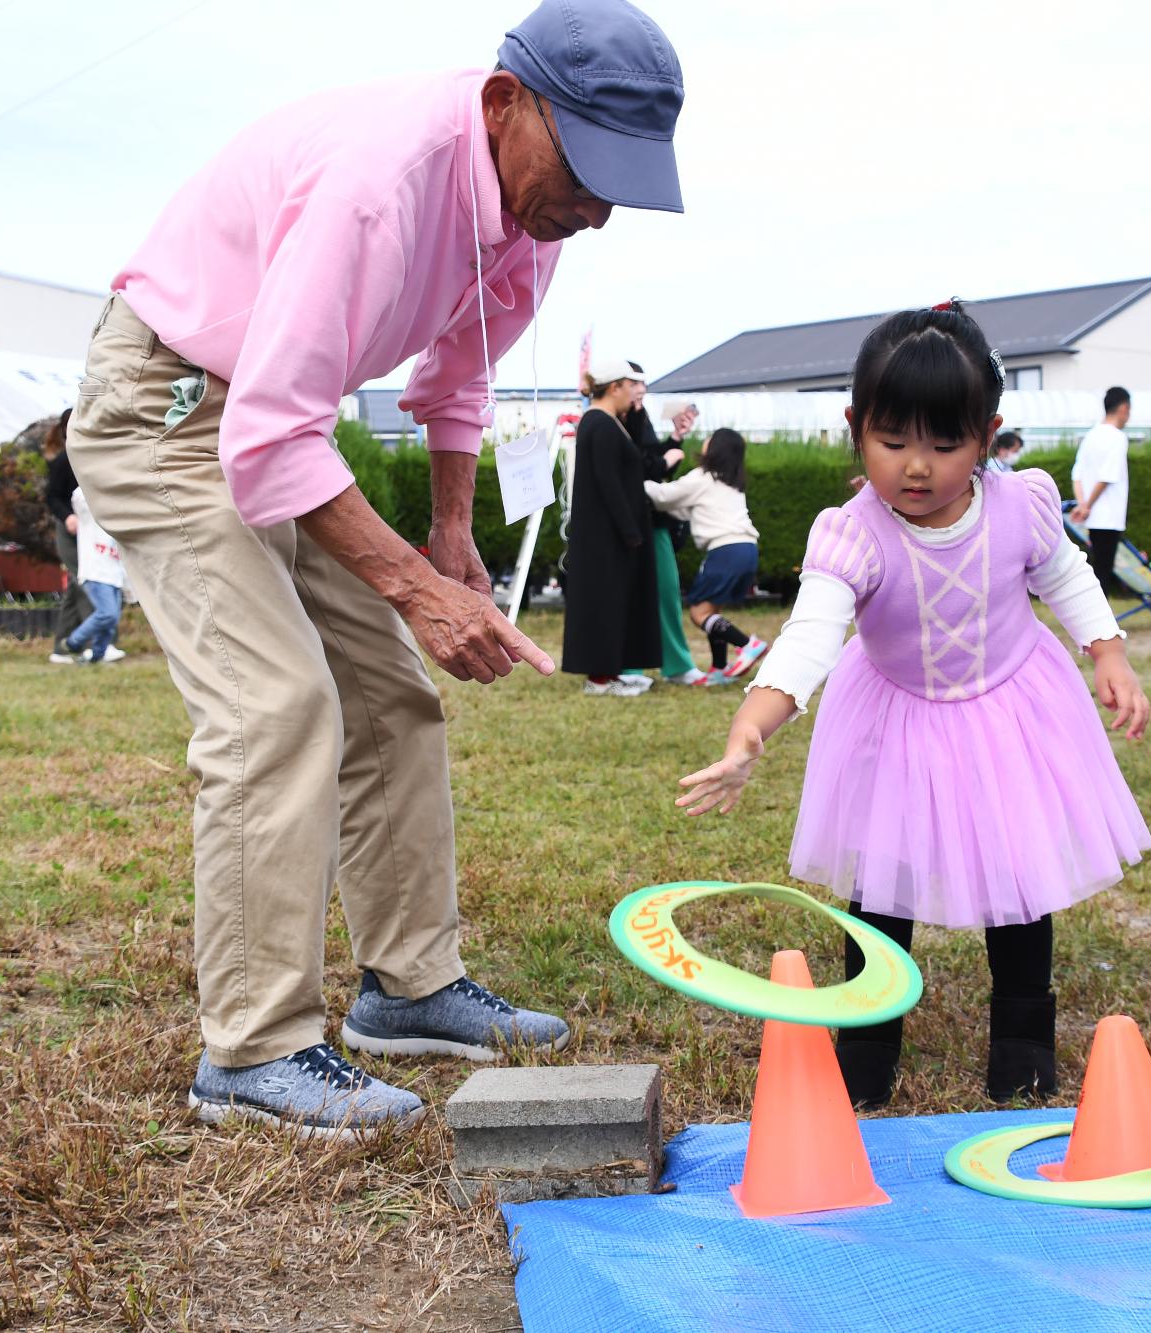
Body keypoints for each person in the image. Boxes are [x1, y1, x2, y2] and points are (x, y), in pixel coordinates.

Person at [67, 0, 685, 1139]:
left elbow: (456, 385)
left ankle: (410, 990)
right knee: (276, 705)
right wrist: (412, 586)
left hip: (266, 416)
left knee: (392, 697)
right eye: (587, 168)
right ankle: (251, 1050)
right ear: (506, 106)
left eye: (622, 180)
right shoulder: (377, 189)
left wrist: (449, 541)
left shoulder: (529, 218)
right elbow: (263, 436)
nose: (596, 208)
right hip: (165, 407)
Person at [676, 302, 1151, 1110]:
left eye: (945, 444)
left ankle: (1025, 1043)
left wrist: (1108, 652)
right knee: (884, 885)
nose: (918, 467)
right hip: (899, 714)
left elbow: (1066, 575)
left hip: (1011, 705)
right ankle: (867, 1044)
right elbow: (808, 638)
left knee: (1019, 869)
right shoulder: (853, 534)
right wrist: (749, 727)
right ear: (855, 427)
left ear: (987, 432)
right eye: (894, 442)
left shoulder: (1021, 503)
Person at [563, 356, 661, 695]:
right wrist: (629, 530)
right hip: (606, 536)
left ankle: (612, 671)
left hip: (611, 534)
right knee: (605, 601)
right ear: (614, 387)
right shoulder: (599, 423)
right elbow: (608, 481)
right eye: (630, 385)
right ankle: (600, 677)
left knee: (616, 600)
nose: (634, 392)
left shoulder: (607, 421)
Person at [644, 427, 769, 683]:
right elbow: (685, 510)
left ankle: (747, 644)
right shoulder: (732, 483)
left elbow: (664, 497)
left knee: (699, 613)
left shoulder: (702, 477)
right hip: (746, 549)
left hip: (725, 550)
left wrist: (640, 479)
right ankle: (719, 669)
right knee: (713, 611)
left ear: (716, 447)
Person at [624, 375, 705, 684]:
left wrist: (674, 441)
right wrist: (666, 457)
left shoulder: (637, 416)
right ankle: (629, 668)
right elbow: (640, 466)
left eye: (643, 393)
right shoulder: (607, 420)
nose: (639, 397)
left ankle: (677, 664)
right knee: (632, 595)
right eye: (634, 390)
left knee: (667, 589)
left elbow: (649, 463)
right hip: (627, 520)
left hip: (650, 518)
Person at [43, 409, 100, 662]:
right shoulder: (63, 461)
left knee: (79, 586)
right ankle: (93, 643)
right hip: (69, 531)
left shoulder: (91, 457)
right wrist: (67, 516)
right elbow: (52, 497)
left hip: (91, 530)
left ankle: (63, 646)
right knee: (84, 582)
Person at [1071, 387, 1131, 596]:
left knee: (1098, 569)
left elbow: (1077, 474)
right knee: (1103, 572)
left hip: (1093, 516)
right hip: (1109, 515)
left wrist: (1082, 504)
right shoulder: (1117, 437)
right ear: (1124, 407)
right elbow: (1107, 476)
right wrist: (1086, 506)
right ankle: (1100, 625)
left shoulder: (1091, 435)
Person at [60, 486, 126, 664]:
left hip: (114, 573)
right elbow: (79, 496)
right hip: (95, 571)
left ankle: (97, 656)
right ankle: (73, 642)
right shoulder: (88, 515)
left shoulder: (117, 519)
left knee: (111, 620)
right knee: (108, 614)